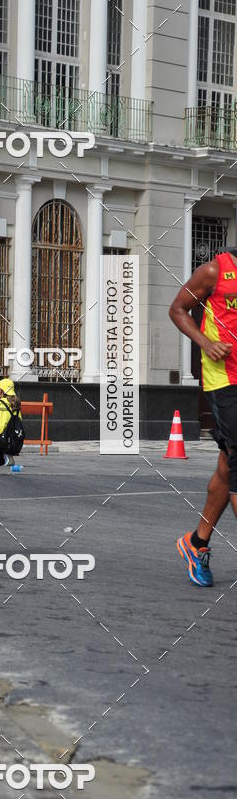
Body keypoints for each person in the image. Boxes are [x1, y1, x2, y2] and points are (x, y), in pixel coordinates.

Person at [169, 247, 237, 585]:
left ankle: (196, 543)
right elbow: (178, 309)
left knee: (227, 464)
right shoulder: (215, 271)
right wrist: (206, 343)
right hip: (224, 378)